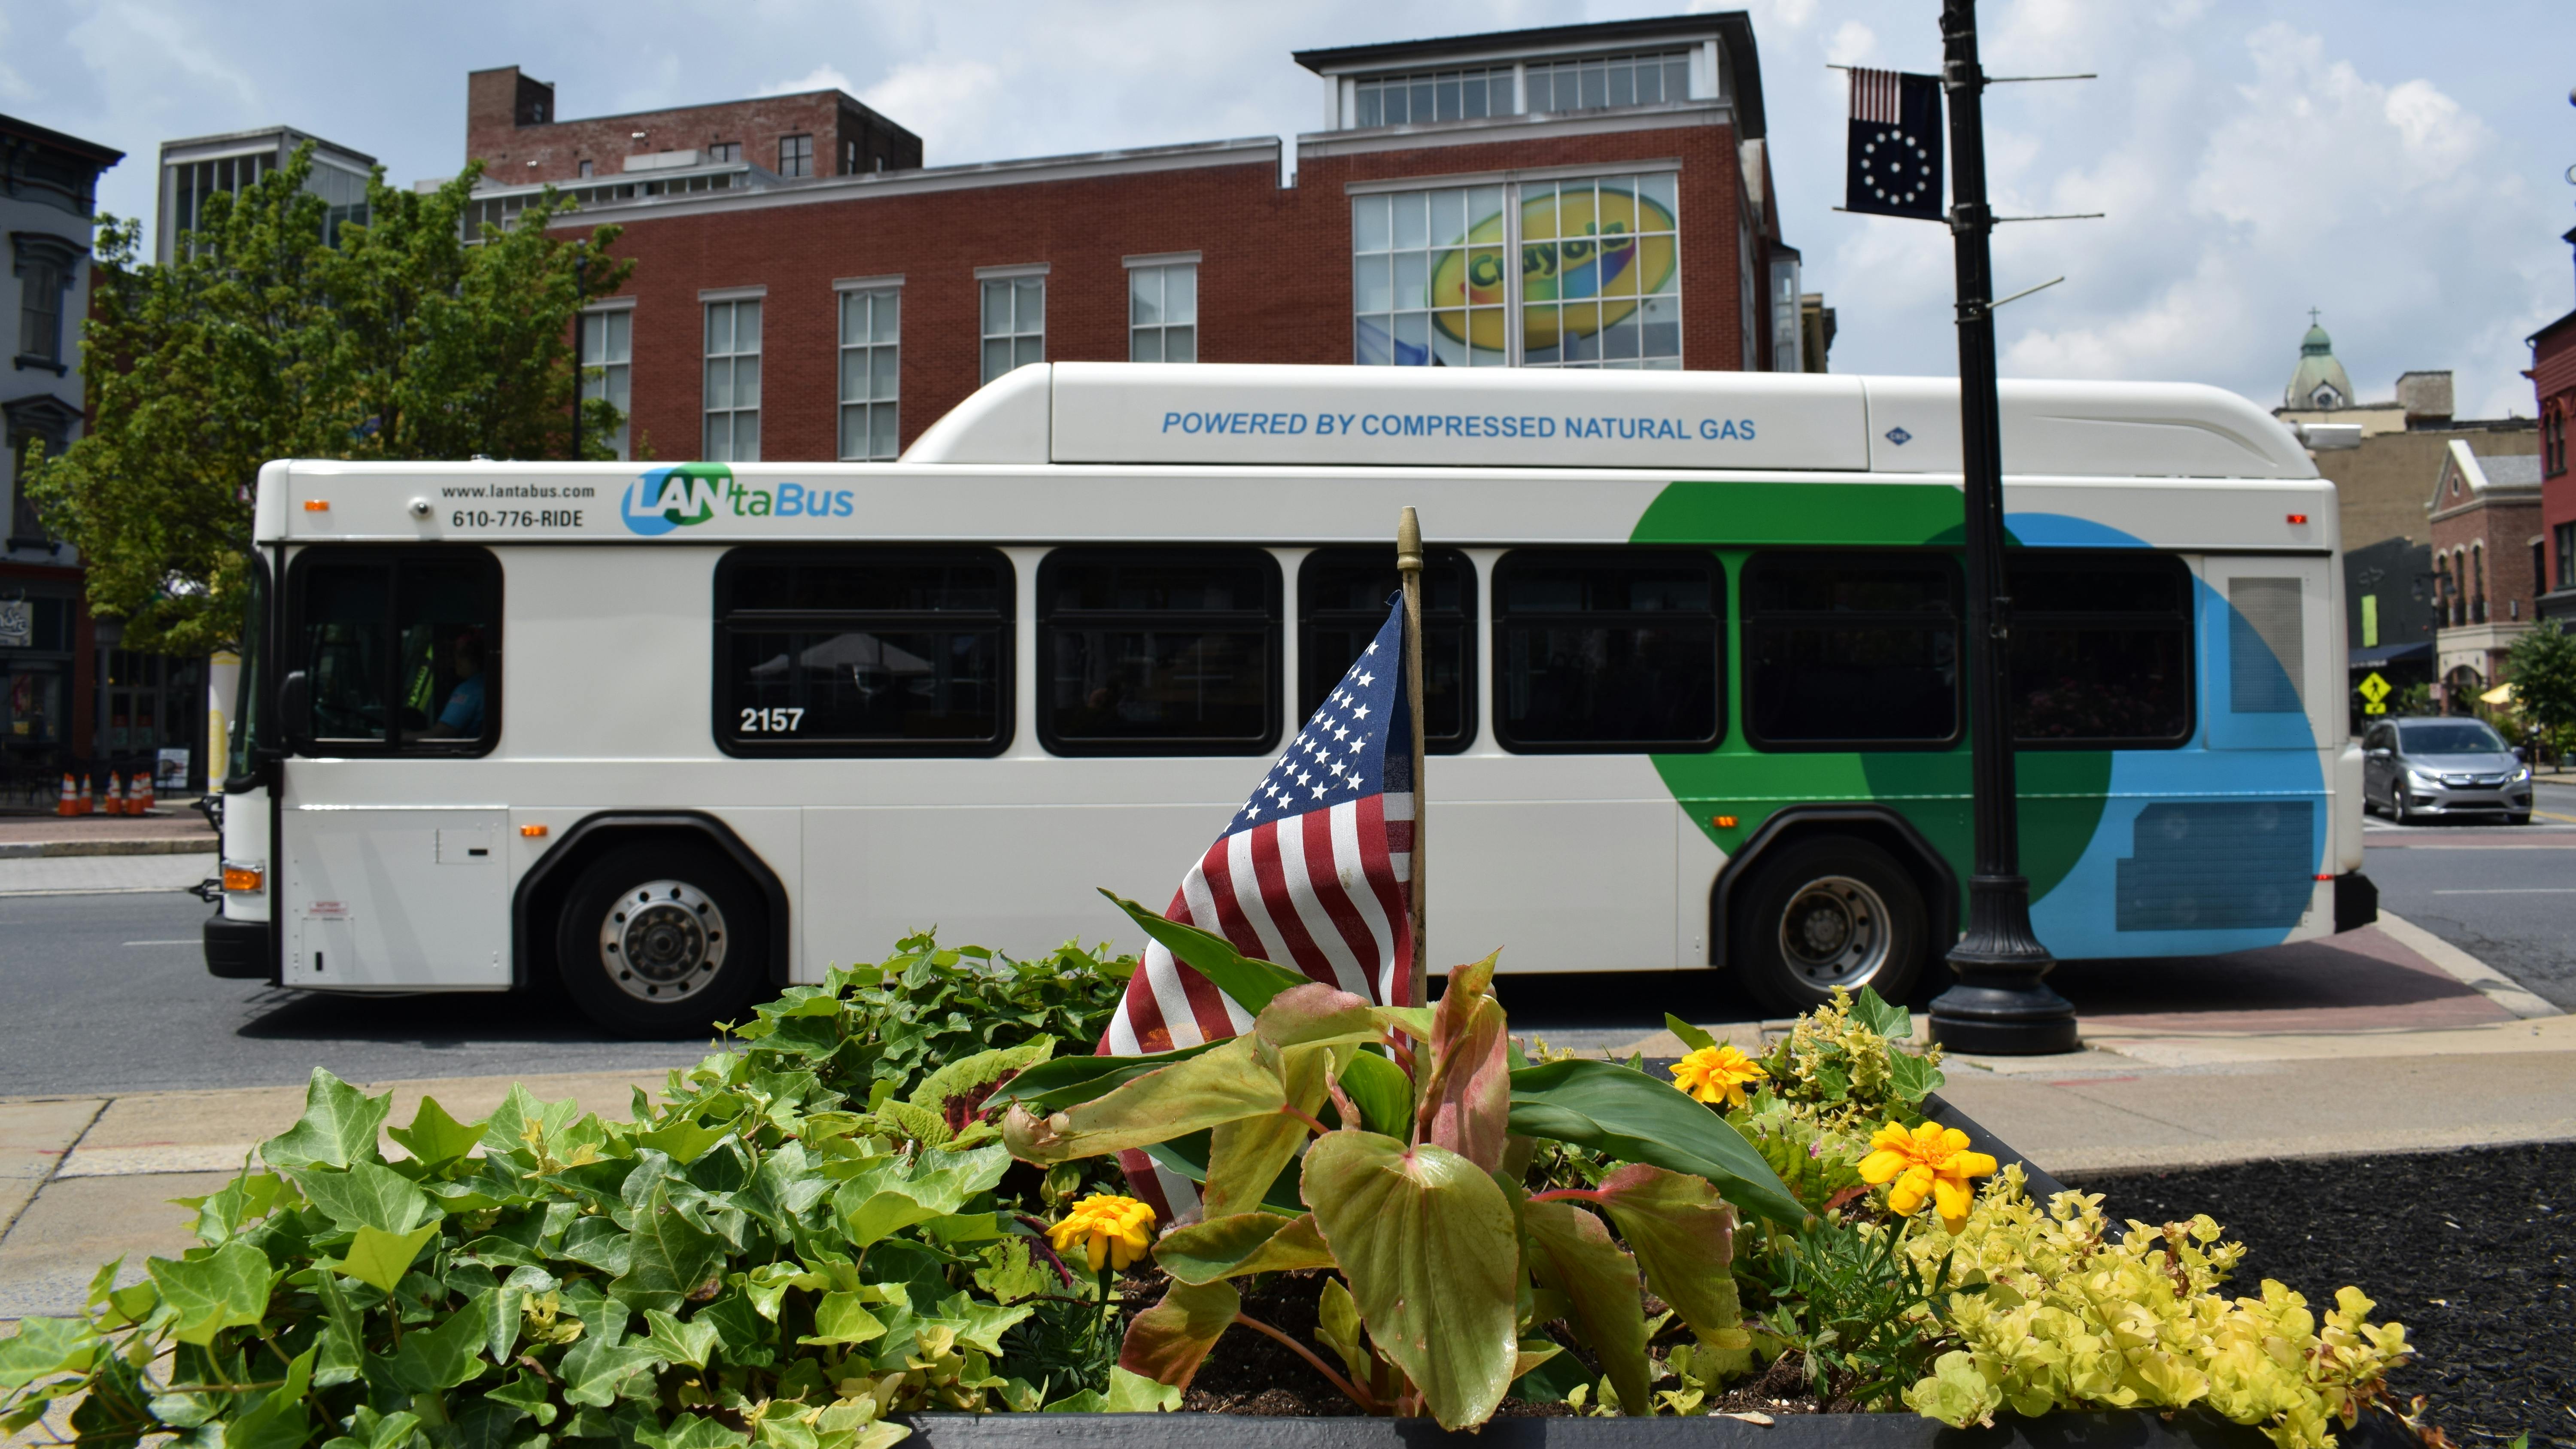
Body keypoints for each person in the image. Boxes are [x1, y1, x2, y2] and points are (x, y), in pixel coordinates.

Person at [422, 631, 486, 739]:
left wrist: (402, 737)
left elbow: (443, 734)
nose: (455, 661)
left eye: (460, 655)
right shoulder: (491, 684)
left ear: (473, 658)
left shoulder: (470, 690)